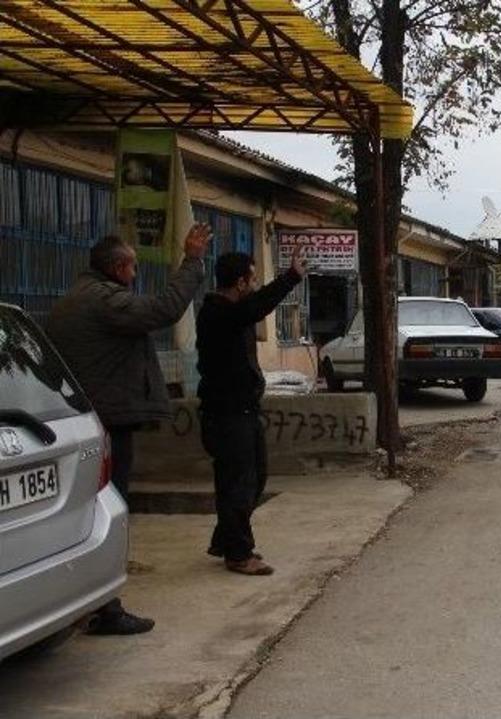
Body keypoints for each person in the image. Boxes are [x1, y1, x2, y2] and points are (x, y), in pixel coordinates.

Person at [46, 225, 212, 635]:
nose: (136, 275)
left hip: (81, 422)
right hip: (107, 422)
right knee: (110, 513)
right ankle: (107, 608)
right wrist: (191, 260)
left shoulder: (71, 300)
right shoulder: (105, 302)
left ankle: (82, 600)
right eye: (134, 267)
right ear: (119, 268)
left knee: (83, 514)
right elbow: (163, 311)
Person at [197, 247, 307, 576]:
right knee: (239, 484)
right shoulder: (219, 313)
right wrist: (290, 278)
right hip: (227, 413)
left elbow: (253, 308)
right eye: (254, 278)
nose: (256, 285)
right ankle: (238, 553)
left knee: (254, 478)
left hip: (243, 409)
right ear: (241, 282)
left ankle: (226, 539)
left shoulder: (233, 311)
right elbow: (257, 307)